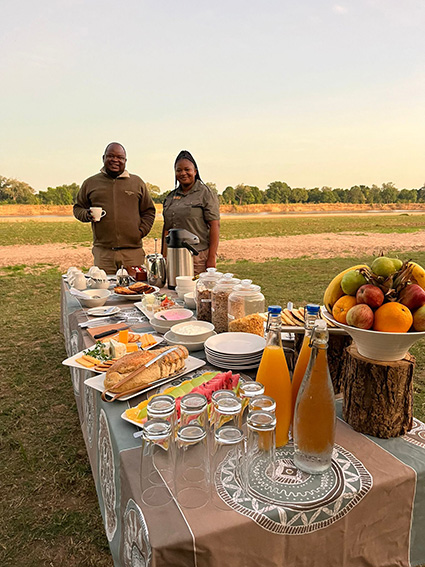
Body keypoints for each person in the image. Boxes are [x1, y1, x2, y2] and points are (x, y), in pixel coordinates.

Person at [73, 142, 156, 274]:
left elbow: (149, 211)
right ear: (103, 158)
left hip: (132, 253)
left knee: (135, 290)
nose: (115, 160)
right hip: (104, 253)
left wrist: (140, 232)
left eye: (120, 157)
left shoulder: (136, 182)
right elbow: (78, 208)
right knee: (104, 291)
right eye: (110, 156)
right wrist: (87, 214)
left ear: (125, 160)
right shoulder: (90, 183)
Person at [161, 150, 220, 275]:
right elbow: (167, 229)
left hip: (197, 258)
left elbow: (215, 225)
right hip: (174, 257)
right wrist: (164, 256)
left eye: (187, 169)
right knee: (173, 292)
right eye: (179, 170)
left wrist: (211, 258)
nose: (183, 173)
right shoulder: (171, 197)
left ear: (195, 171)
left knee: (195, 292)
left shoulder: (205, 193)